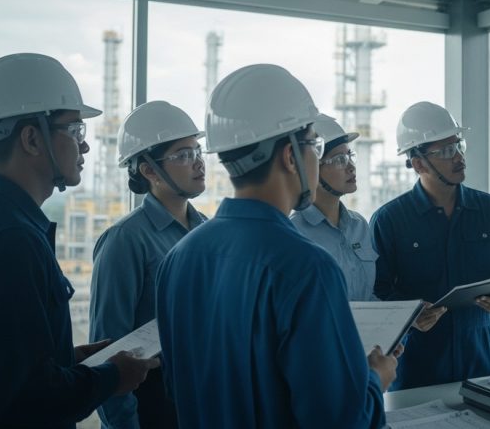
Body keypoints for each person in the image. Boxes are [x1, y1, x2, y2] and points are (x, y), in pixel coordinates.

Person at [155, 64, 397, 428]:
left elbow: (177, 388)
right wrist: (376, 380)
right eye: (315, 145)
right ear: (290, 156)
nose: (317, 158)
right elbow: (339, 420)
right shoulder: (306, 267)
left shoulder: (179, 258)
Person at [0, 53, 157, 429]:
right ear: (32, 139)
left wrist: (69, 360)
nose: (84, 148)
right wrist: (112, 378)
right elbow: (17, 402)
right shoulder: (7, 240)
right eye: (74, 131)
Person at [372, 101, 490, 389]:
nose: (459, 157)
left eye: (459, 146)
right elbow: (377, 291)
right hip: (418, 366)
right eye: (446, 151)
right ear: (418, 163)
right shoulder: (390, 220)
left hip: (482, 360)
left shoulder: (489, 210)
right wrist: (410, 315)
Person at [91, 101, 207, 429]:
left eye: (198, 152)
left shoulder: (207, 232)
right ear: (149, 170)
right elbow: (108, 353)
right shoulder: (125, 240)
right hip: (151, 410)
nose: (198, 163)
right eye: (184, 155)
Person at [290, 114, 378, 301]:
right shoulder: (294, 233)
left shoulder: (359, 225)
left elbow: (367, 299)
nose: (351, 167)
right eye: (339, 160)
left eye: (349, 156)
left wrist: (411, 316)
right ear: (312, 168)